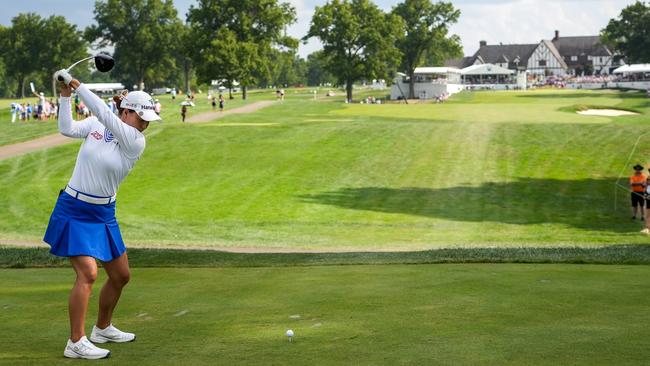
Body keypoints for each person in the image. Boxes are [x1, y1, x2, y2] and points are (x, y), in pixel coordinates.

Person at [44, 68, 161, 360]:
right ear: (129, 112)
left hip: (104, 212)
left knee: (121, 276)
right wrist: (65, 95)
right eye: (142, 118)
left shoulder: (135, 140)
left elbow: (105, 113)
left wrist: (76, 82)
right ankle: (75, 341)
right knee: (88, 273)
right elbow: (67, 129)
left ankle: (102, 328)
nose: (146, 125)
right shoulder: (98, 125)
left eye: (149, 120)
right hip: (74, 208)